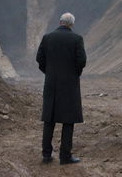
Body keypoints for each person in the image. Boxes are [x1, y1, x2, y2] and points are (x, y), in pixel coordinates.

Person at [36, 12, 87, 165]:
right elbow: (82, 61)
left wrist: (49, 72)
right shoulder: (77, 39)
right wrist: (74, 74)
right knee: (68, 120)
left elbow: (39, 58)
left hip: (51, 84)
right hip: (69, 85)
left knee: (49, 119)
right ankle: (65, 156)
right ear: (71, 24)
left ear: (60, 22)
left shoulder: (47, 38)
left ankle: (46, 155)